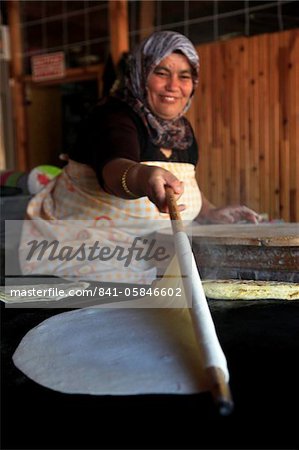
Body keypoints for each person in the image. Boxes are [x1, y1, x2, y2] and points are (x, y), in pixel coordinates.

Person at [19, 31, 261, 286]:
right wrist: (144, 176)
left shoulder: (181, 132)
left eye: (184, 76)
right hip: (81, 257)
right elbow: (115, 170)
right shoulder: (114, 117)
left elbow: (187, 183)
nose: (173, 86)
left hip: (147, 254)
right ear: (140, 73)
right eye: (161, 73)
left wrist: (210, 211)